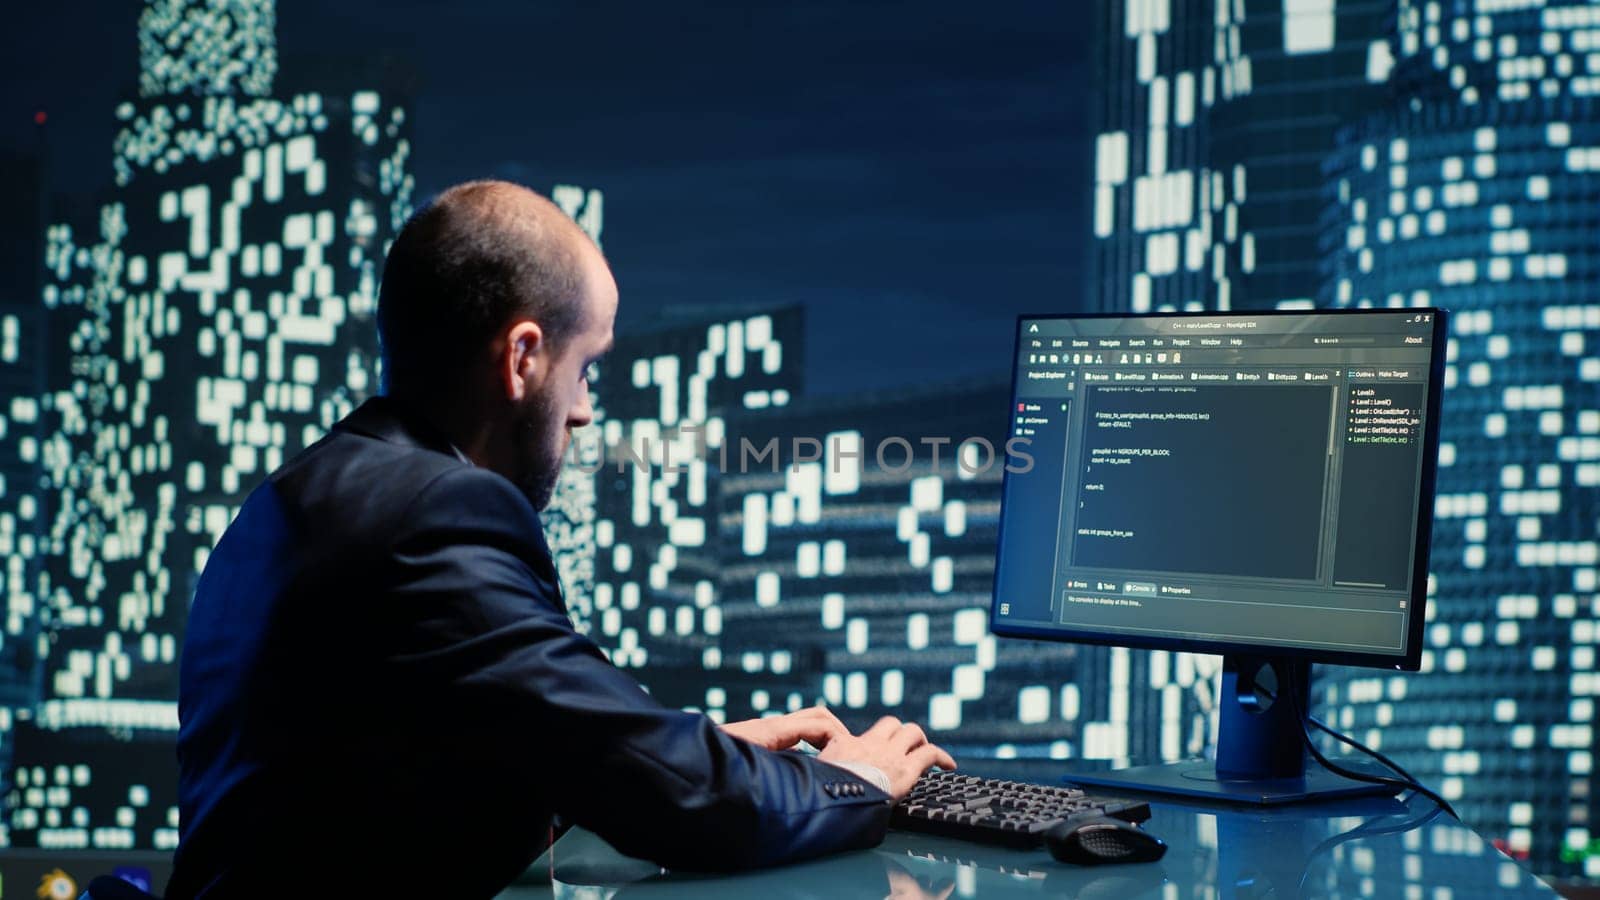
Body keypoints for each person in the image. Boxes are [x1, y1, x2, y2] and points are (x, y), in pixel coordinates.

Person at [170, 180, 955, 898]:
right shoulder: (436, 512)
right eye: (586, 370)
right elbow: (672, 807)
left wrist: (684, 749)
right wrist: (854, 780)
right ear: (521, 358)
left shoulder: (300, 496)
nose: (583, 413)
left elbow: (432, 757)